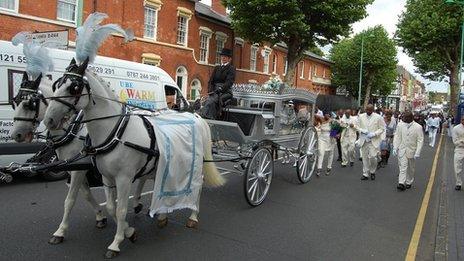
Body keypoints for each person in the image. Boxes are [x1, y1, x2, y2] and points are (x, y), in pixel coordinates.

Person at [199, 48, 236, 119]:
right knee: (204, 100)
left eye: (225, 57)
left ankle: (209, 117)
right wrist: (210, 90)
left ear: (229, 59)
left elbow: (229, 82)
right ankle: (206, 115)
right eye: (222, 56)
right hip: (215, 91)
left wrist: (221, 89)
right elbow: (211, 81)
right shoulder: (217, 68)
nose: (223, 58)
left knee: (211, 101)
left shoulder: (231, 68)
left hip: (225, 92)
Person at [392, 111, 424, 191]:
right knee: (403, 166)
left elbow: (420, 140)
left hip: (412, 151)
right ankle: (401, 183)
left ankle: (409, 181)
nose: (403, 119)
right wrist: (395, 147)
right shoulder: (400, 125)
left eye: (405, 117)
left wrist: (417, 152)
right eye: (403, 117)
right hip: (402, 149)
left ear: (410, 118)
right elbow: (397, 136)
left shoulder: (418, 127)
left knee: (411, 168)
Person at [356, 104, 386, 180]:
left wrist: (374, 134)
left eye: (370, 110)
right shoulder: (361, 116)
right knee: (364, 157)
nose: (368, 111)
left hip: (373, 140)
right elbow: (357, 126)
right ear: (365, 109)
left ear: (373, 110)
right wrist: (362, 130)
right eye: (367, 110)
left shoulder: (378, 117)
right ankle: (365, 173)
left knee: (373, 157)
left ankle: (372, 171)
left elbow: (382, 128)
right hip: (364, 140)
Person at [452, 116, 464, 190]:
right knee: (457, 168)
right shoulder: (456, 128)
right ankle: (458, 183)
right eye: (463, 119)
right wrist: (461, 141)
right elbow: (455, 142)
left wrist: (461, 140)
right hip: (459, 149)